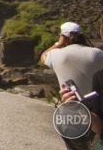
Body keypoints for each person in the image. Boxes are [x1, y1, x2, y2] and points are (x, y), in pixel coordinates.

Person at [42, 21, 103, 150]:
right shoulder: (97, 53)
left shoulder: (56, 54)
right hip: (96, 108)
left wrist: (59, 42)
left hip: (70, 108)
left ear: (63, 36)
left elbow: (43, 57)